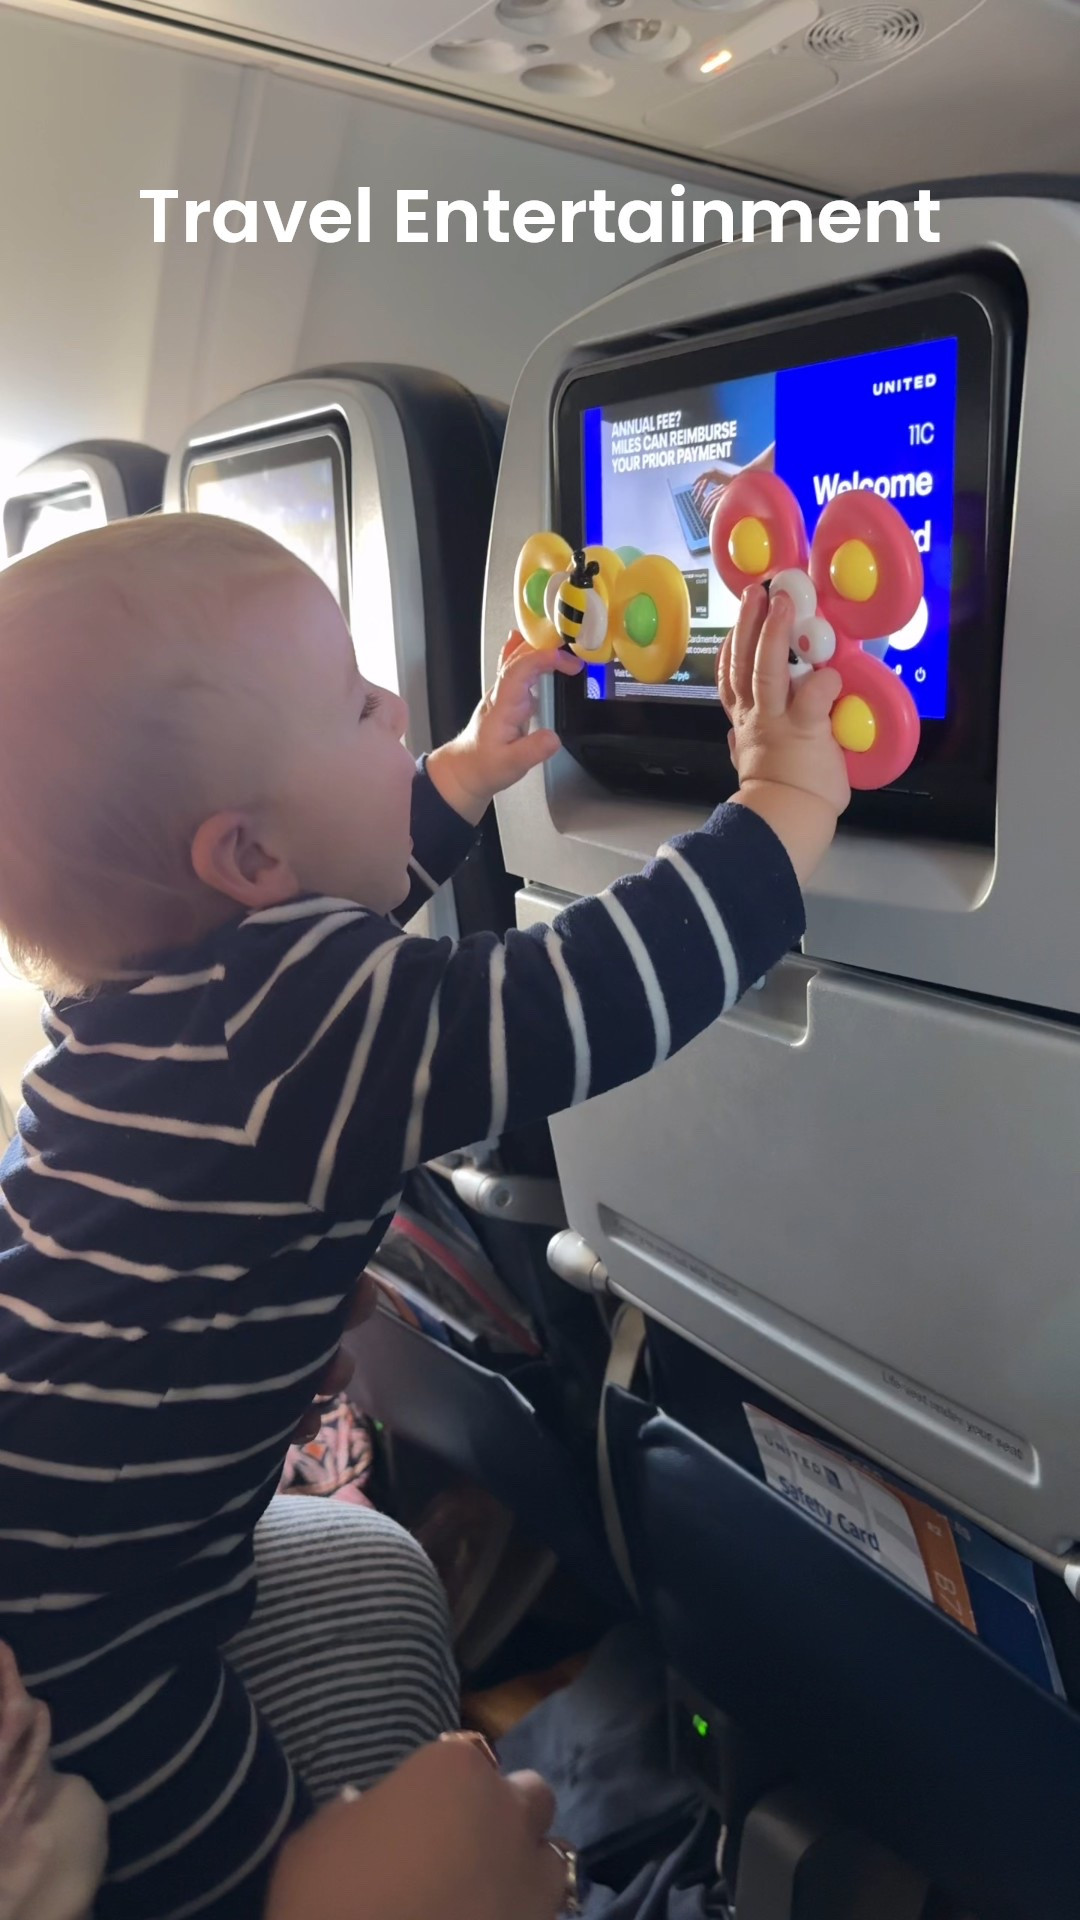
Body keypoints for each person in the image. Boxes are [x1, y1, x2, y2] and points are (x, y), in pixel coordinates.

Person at [0, 514, 847, 1920]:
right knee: (248, 1869)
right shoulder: (286, 1035)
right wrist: (781, 809)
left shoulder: (165, 1002)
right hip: (98, 1642)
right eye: (354, 703)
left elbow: (316, 937)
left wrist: (450, 777)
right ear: (246, 853)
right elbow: (561, 1008)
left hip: (50, 1527)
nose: (392, 700)